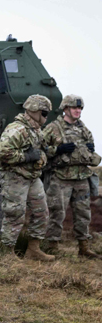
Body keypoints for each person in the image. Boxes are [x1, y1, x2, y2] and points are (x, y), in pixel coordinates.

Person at [42, 94, 102, 258]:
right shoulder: (53, 128)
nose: (78, 111)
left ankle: (84, 248)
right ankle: (52, 247)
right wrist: (58, 150)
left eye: (80, 108)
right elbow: (40, 150)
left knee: (83, 214)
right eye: (75, 108)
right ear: (66, 109)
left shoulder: (84, 129)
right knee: (57, 213)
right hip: (60, 178)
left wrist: (90, 149)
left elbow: (89, 152)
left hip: (81, 178)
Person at [0, 94, 53, 261]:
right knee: (14, 213)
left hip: (32, 177)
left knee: (41, 212)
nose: (45, 117)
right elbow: (2, 152)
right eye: (44, 113)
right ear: (34, 111)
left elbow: (40, 151)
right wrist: (26, 157)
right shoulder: (17, 129)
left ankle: (33, 250)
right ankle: (7, 253)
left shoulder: (35, 129)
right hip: (15, 177)